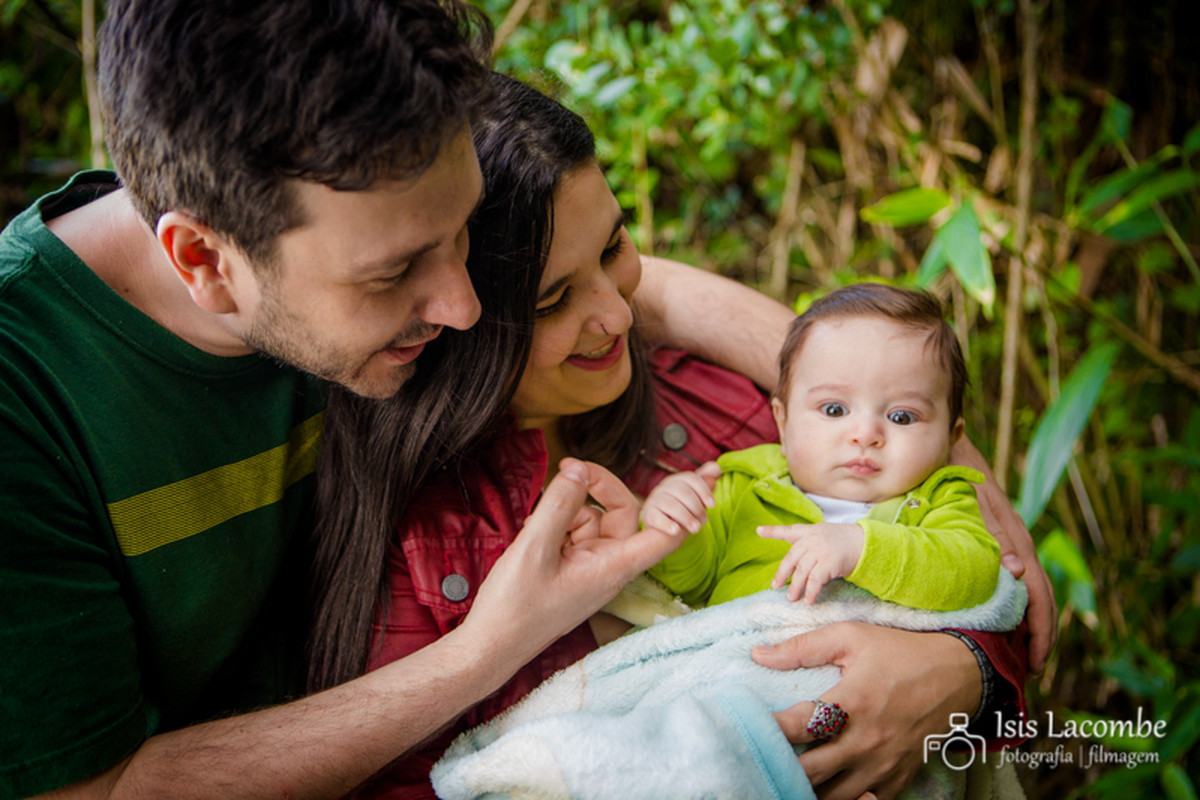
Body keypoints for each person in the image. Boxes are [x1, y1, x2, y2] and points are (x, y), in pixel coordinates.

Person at [0, 4, 801, 798]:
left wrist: (863, 407)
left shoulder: (334, 242)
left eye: (463, 235)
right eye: (396, 274)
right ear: (203, 259)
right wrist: (489, 646)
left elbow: (597, 275)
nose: (463, 306)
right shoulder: (27, 399)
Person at [309, 74, 1046, 800]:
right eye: (557, 299)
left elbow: (977, 583)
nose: (620, 317)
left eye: (614, 247)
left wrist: (958, 674)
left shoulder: (713, 394)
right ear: (456, 317)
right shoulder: (423, 543)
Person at [643, 283, 1001, 614]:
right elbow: (689, 585)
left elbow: (975, 573)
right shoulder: (743, 486)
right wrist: (675, 529)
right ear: (783, 424)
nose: (865, 434)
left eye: (902, 417)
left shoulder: (940, 498)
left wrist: (863, 549)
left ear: (952, 437)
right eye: (834, 410)